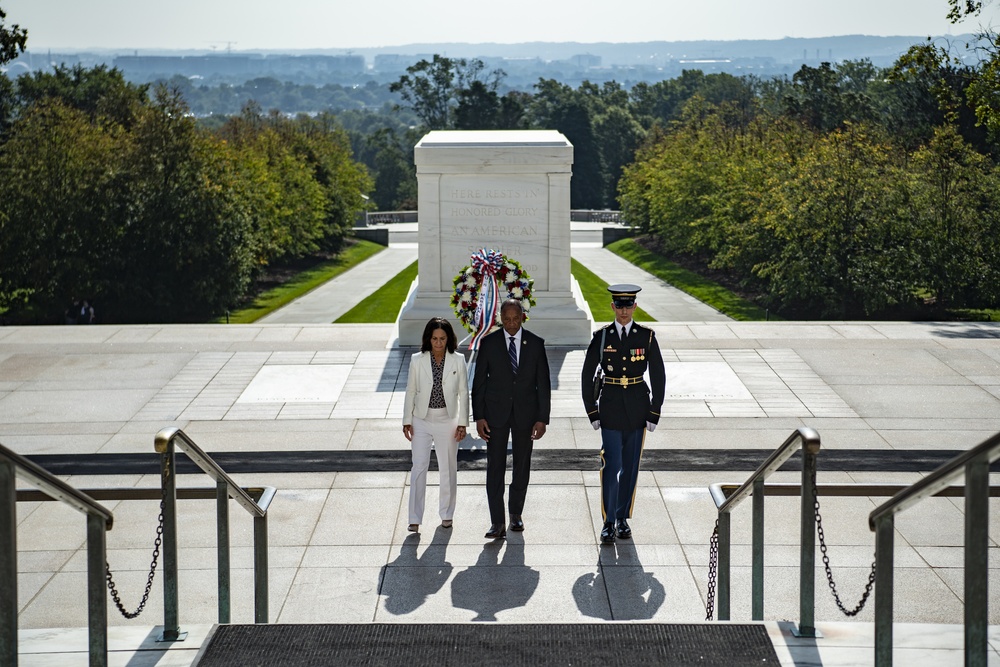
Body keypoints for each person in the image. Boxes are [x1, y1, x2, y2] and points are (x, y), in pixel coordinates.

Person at [581, 284, 665, 544]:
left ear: (635, 307)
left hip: (638, 408)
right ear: (612, 307)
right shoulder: (602, 336)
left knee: (630, 467)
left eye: (629, 305)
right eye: (620, 305)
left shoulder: (646, 336)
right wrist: (592, 410)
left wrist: (654, 411)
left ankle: (622, 518)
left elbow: (659, 375)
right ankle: (607, 521)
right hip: (611, 407)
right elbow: (587, 374)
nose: (624, 310)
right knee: (612, 465)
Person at [472, 298, 551, 540]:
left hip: (525, 415)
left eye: (516, 319)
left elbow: (543, 384)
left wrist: (542, 419)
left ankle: (516, 514)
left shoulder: (536, 344)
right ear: (500, 319)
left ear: (522, 317)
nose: (511, 324)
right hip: (495, 415)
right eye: (506, 320)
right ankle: (497, 522)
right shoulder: (489, 343)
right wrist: (479, 416)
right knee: (495, 467)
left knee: (521, 465)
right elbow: (479, 383)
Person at [402, 317, 470, 533]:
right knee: (419, 466)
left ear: (448, 339)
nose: (438, 343)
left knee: (448, 468)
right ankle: (414, 518)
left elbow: (463, 392)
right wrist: (407, 420)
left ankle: (447, 514)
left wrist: (462, 423)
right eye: (434, 339)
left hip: (447, 420)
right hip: (421, 419)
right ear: (428, 339)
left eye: (442, 338)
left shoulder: (458, 360)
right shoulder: (417, 360)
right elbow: (410, 390)